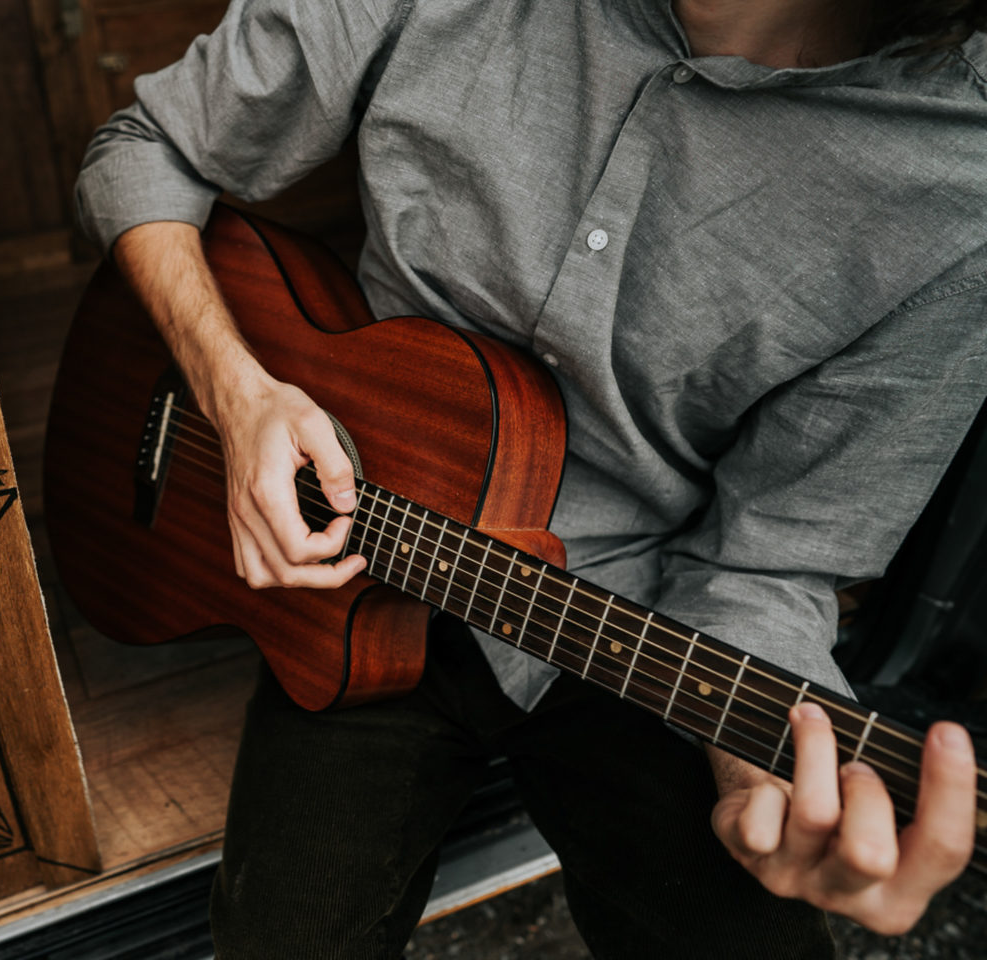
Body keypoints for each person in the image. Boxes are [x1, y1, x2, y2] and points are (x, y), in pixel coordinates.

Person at [74, 0, 987, 956]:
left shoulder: (959, 175)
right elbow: (147, 148)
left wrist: (760, 771)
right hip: (348, 578)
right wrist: (234, 390)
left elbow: (772, 562)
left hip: (637, 625)